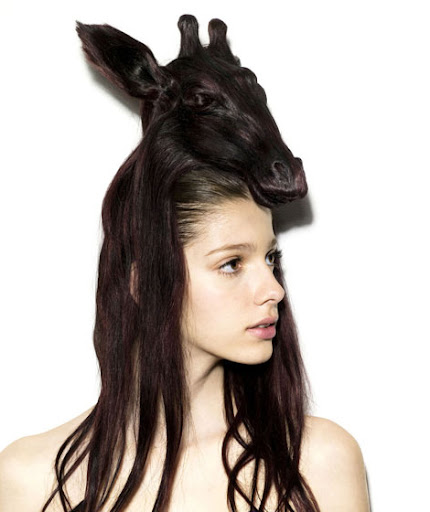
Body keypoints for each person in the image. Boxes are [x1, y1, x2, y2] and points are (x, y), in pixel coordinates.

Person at [0, 14, 370, 512]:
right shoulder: (32, 480)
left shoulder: (318, 463)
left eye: (271, 258)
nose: (275, 289)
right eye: (232, 263)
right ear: (141, 280)